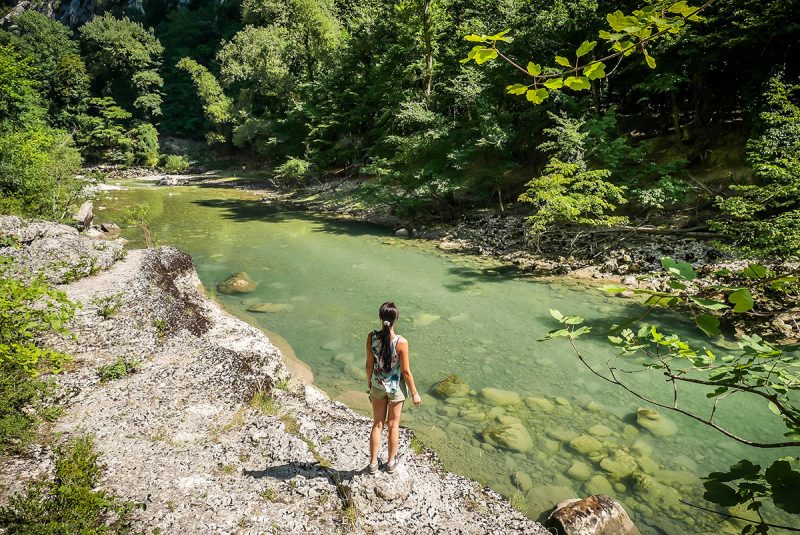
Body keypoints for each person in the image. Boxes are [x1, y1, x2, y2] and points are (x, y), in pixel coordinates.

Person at [365, 301, 421, 474]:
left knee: (377, 424)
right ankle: (390, 463)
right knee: (394, 425)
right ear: (396, 319)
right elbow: (405, 371)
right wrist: (414, 393)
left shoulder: (372, 337)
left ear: (381, 318)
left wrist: (369, 381)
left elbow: (369, 363)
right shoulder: (401, 342)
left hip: (377, 385)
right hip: (395, 389)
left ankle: (373, 464)